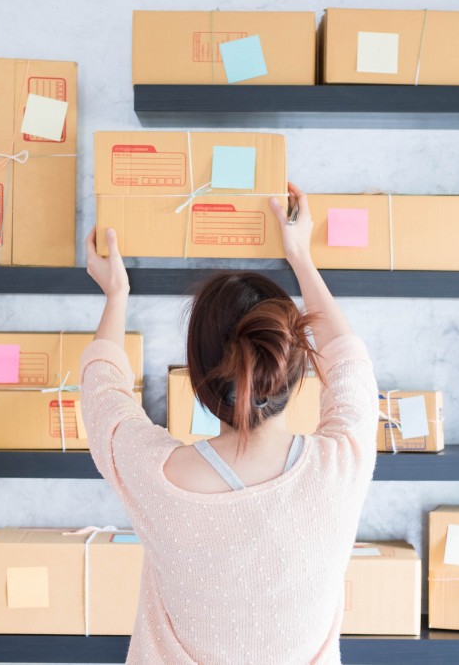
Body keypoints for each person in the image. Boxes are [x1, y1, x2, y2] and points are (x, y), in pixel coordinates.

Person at [81, 181, 378, 664]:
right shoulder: (340, 467)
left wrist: (116, 293)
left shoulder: (158, 479)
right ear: (294, 364)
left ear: (196, 378)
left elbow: (103, 397)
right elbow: (349, 362)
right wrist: (301, 257)